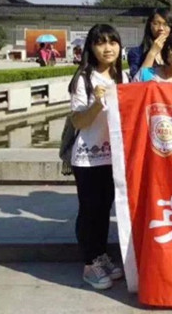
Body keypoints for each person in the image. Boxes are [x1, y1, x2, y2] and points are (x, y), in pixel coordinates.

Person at [68, 24, 128, 290]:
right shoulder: (84, 79)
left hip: (113, 156)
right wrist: (96, 103)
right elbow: (78, 121)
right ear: (91, 48)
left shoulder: (122, 76)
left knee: (104, 209)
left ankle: (101, 254)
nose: (108, 48)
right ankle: (89, 263)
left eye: (112, 42)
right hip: (88, 157)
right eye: (101, 43)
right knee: (89, 209)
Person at [127, 8, 172, 79]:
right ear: (149, 26)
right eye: (156, 23)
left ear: (171, 28)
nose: (161, 28)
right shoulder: (136, 53)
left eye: (165, 24)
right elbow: (138, 80)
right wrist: (152, 53)